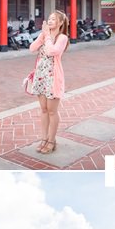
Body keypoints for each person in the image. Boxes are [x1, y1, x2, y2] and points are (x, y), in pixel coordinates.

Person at [27, 11, 70, 154]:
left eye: (54, 19)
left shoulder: (62, 37)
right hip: (40, 76)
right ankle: (43, 139)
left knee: (52, 111)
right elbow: (32, 48)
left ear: (61, 22)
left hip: (53, 78)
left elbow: (52, 51)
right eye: (49, 18)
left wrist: (46, 37)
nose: (50, 21)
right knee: (44, 110)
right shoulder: (44, 35)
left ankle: (52, 140)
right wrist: (43, 35)